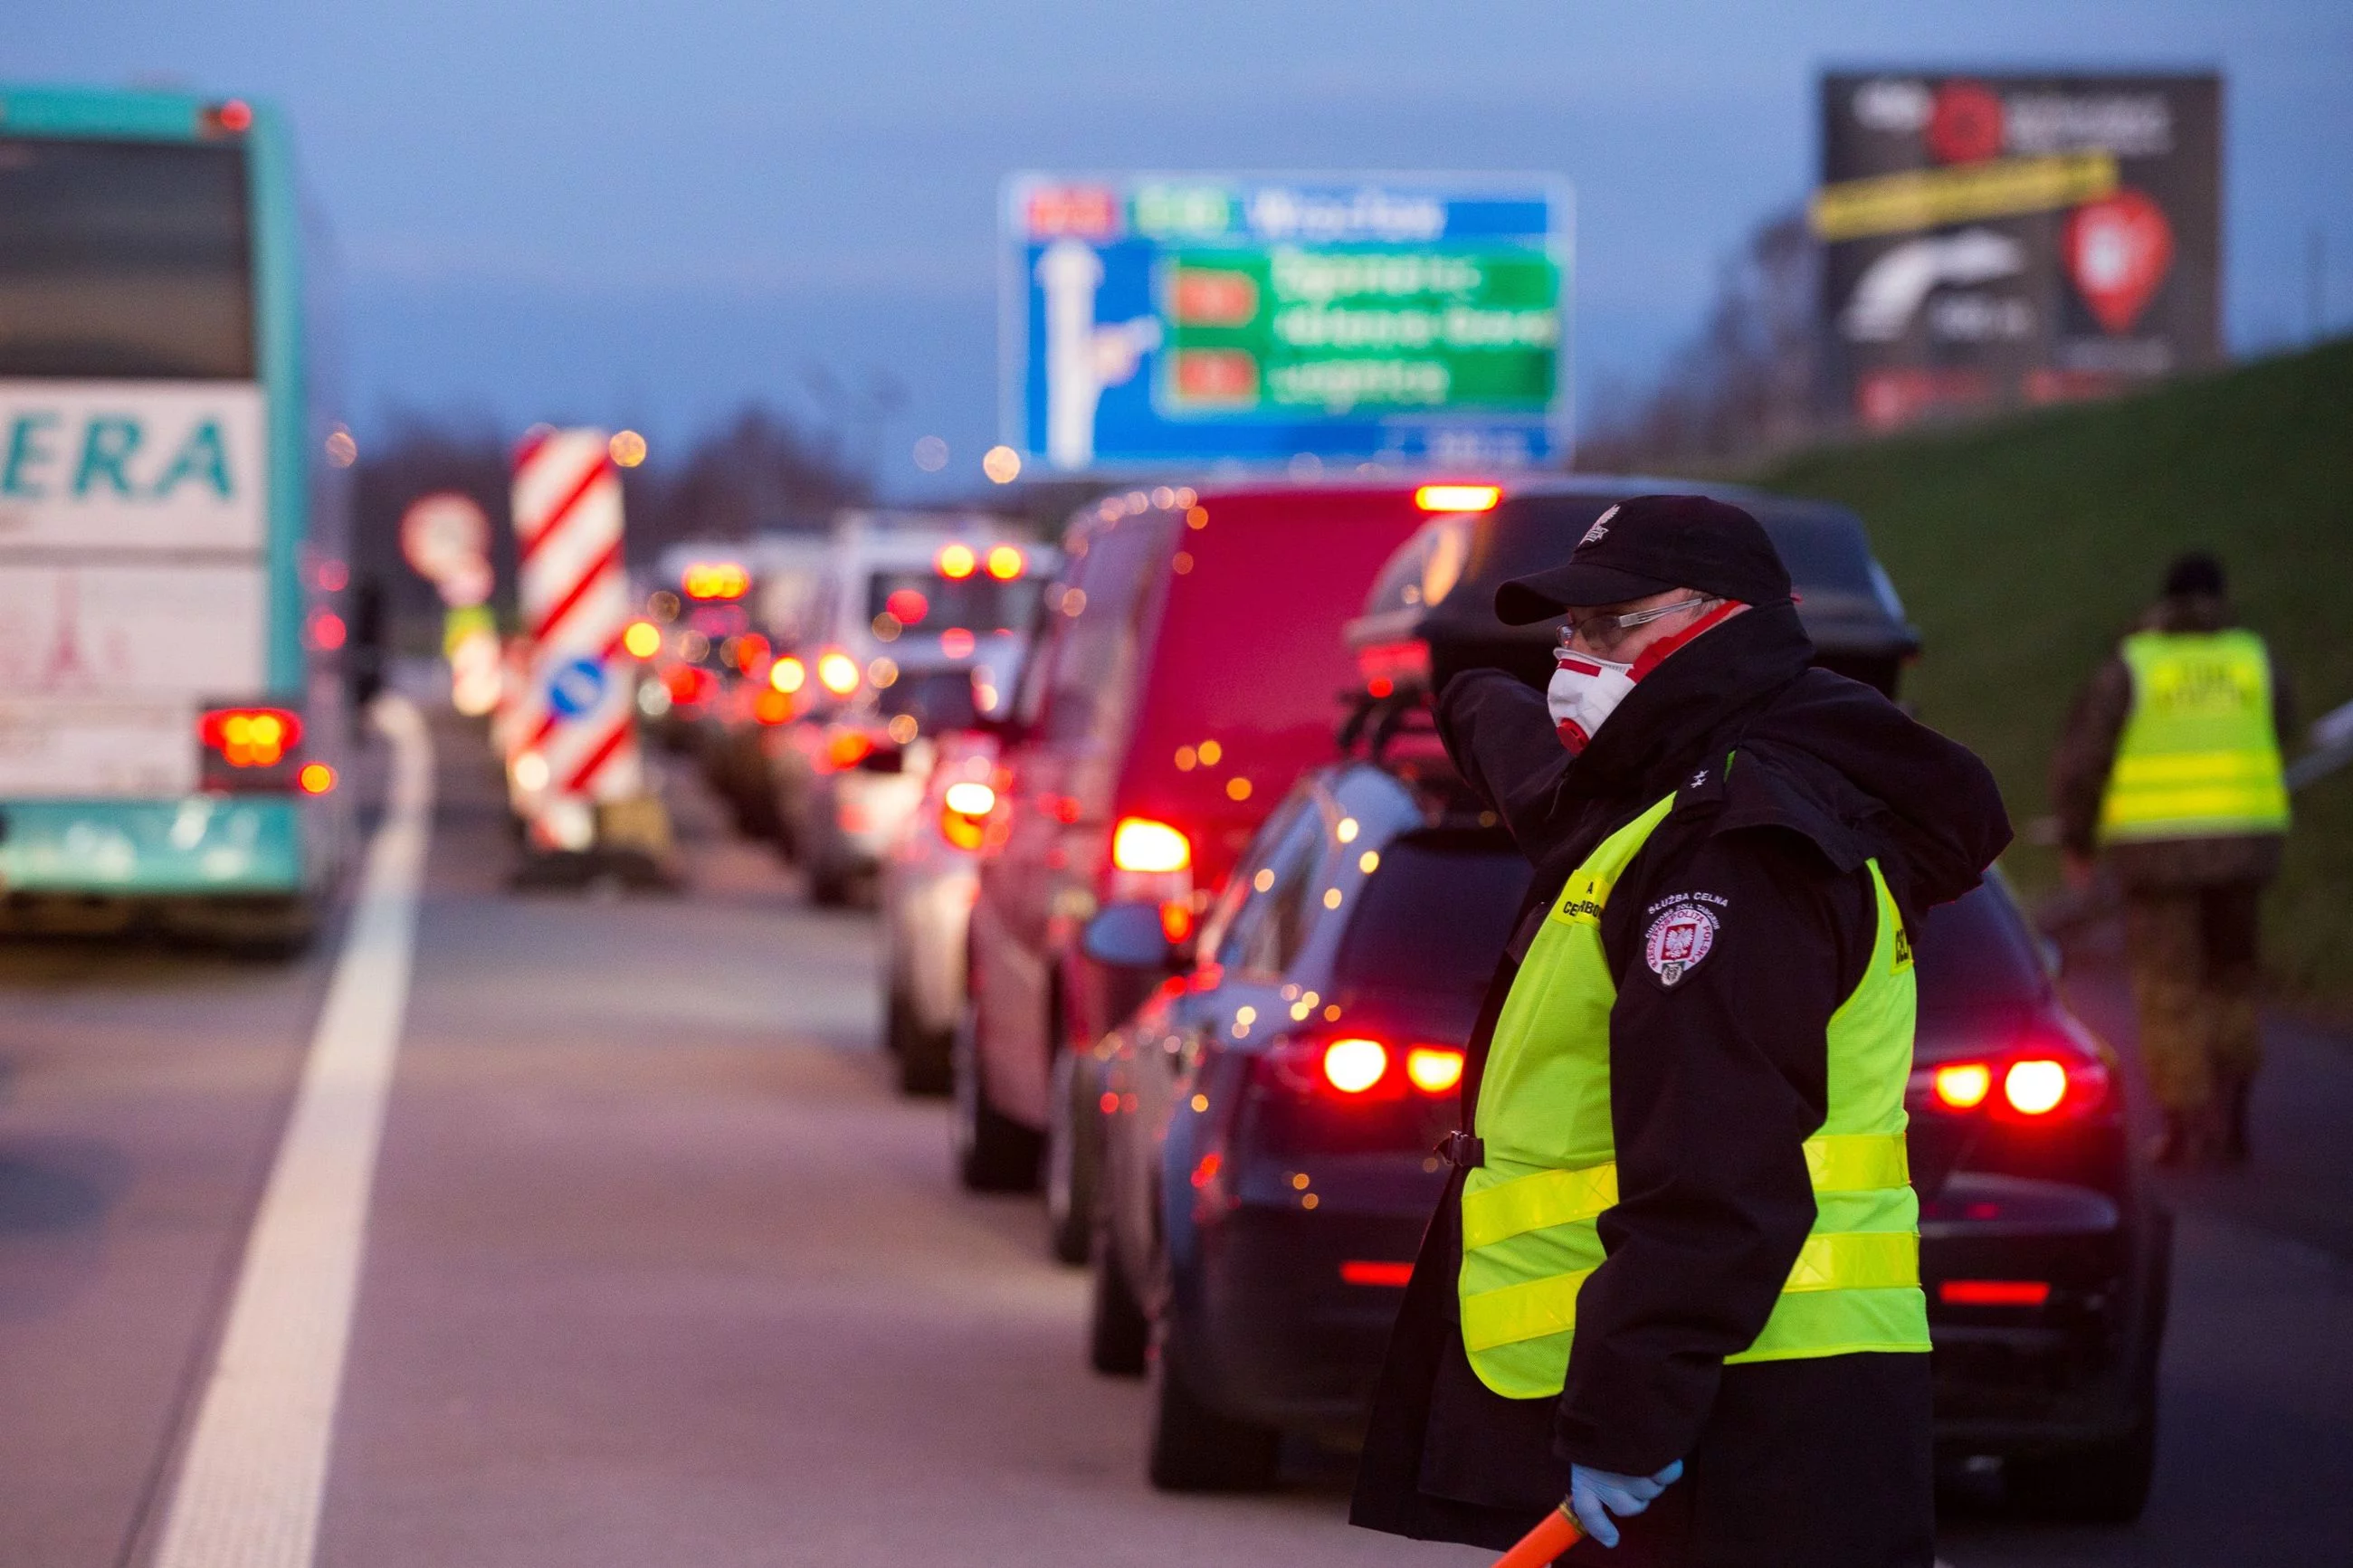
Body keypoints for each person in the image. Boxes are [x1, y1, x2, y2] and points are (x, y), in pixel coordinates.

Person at [1350, 495, 2009, 1565]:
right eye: (1566, 633)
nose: (1575, 657)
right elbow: (1543, 786)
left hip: (1738, 1422)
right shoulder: (1663, 809)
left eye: (1608, 627)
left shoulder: (1735, 855)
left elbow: (1716, 1168)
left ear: (1718, 622)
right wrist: (1468, 694)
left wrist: (1625, 1421)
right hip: (1736, 1395)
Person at [2050, 552, 2291, 1166]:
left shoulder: (2132, 665)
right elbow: (2282, 726)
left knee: (2168, 989)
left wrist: (2078, 841)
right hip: (2244, 850)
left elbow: (2083, 761)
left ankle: (2184, 1124)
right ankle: (2234, 1111)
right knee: (2232, 978)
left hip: (2157, 859)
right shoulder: (2252, 658)